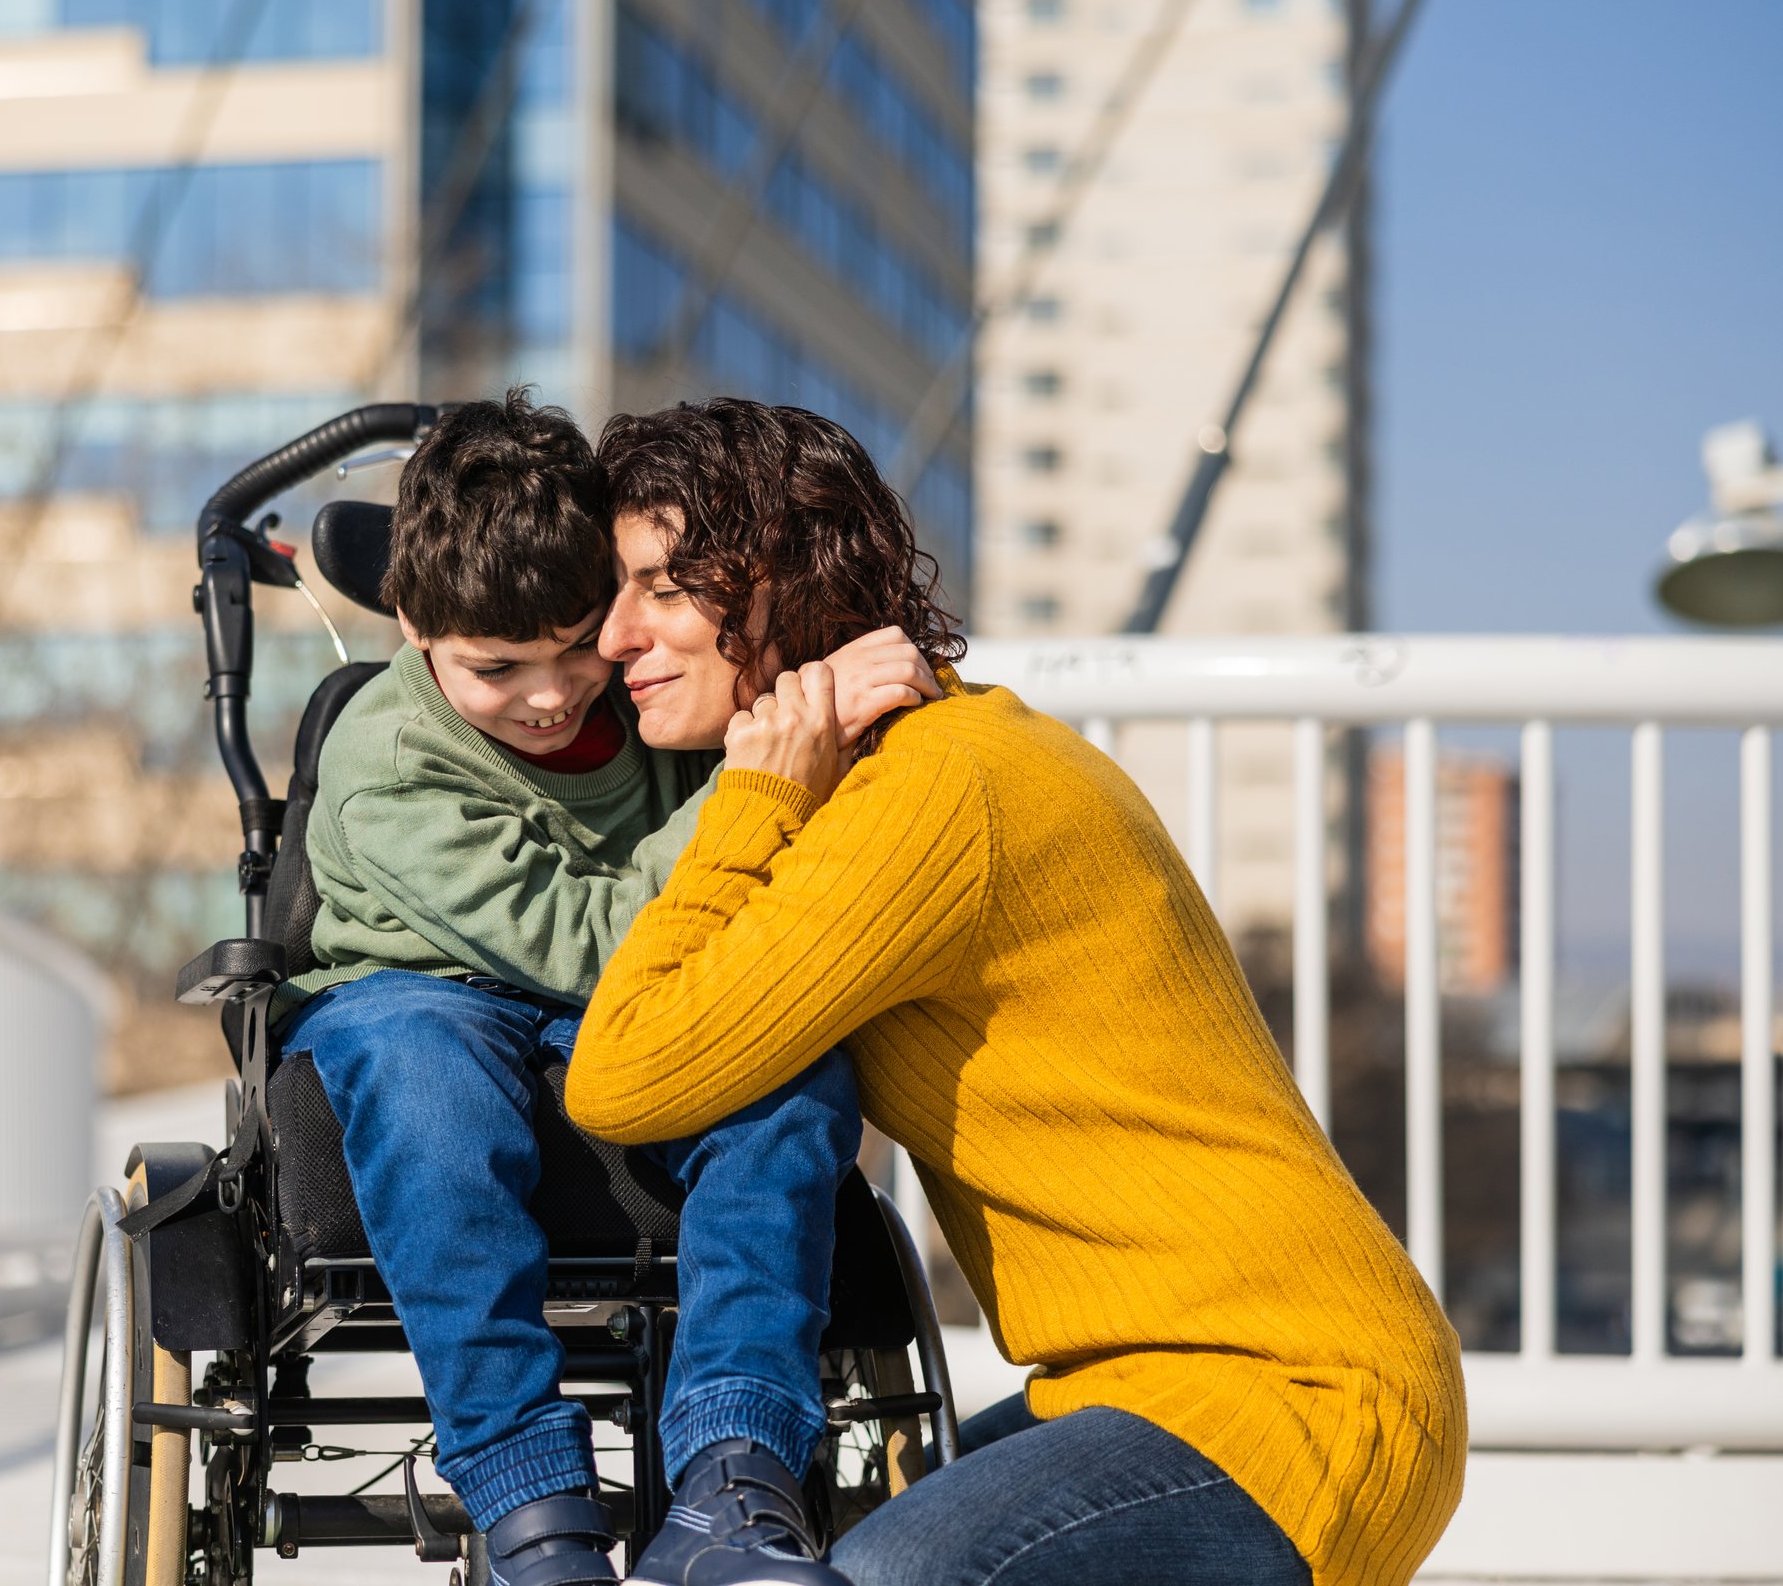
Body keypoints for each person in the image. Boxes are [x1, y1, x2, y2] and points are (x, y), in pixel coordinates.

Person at [566, 398, 1468, 1586]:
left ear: (783, 578)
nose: (613, 636)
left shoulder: (935, 791)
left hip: (1289, 1394)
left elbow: (625, 1070)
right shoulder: (907, 764)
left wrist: (754, 793)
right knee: (809, 1553)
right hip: (1144, 1392)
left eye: (662, 589)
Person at [274, 391, 937, 1586]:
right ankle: (531, 1498)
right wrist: (746, 783)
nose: (549, 693)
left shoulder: (648, 698)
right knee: (425, 1086)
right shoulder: (382, 762)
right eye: (496, 667)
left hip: (614, 1014)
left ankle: (735, 1474)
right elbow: (588, 935)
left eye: (579, 641)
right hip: (420, 991)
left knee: (785, 1076)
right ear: (415, 626)